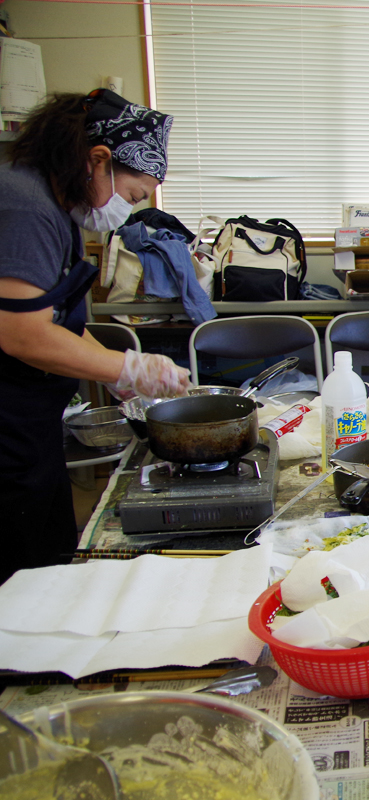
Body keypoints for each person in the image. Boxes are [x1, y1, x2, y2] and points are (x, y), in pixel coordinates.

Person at [0, 89, 192, 583]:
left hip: (28, 418)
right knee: (20, 568)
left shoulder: (49, 204)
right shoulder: (25, 209)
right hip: (6, 416)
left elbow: (59, 317)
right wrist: (126, 367)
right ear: (98, 159)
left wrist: (115, 373)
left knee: (48, 546)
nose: (127, 212)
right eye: (131, 196)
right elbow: (22, 334)